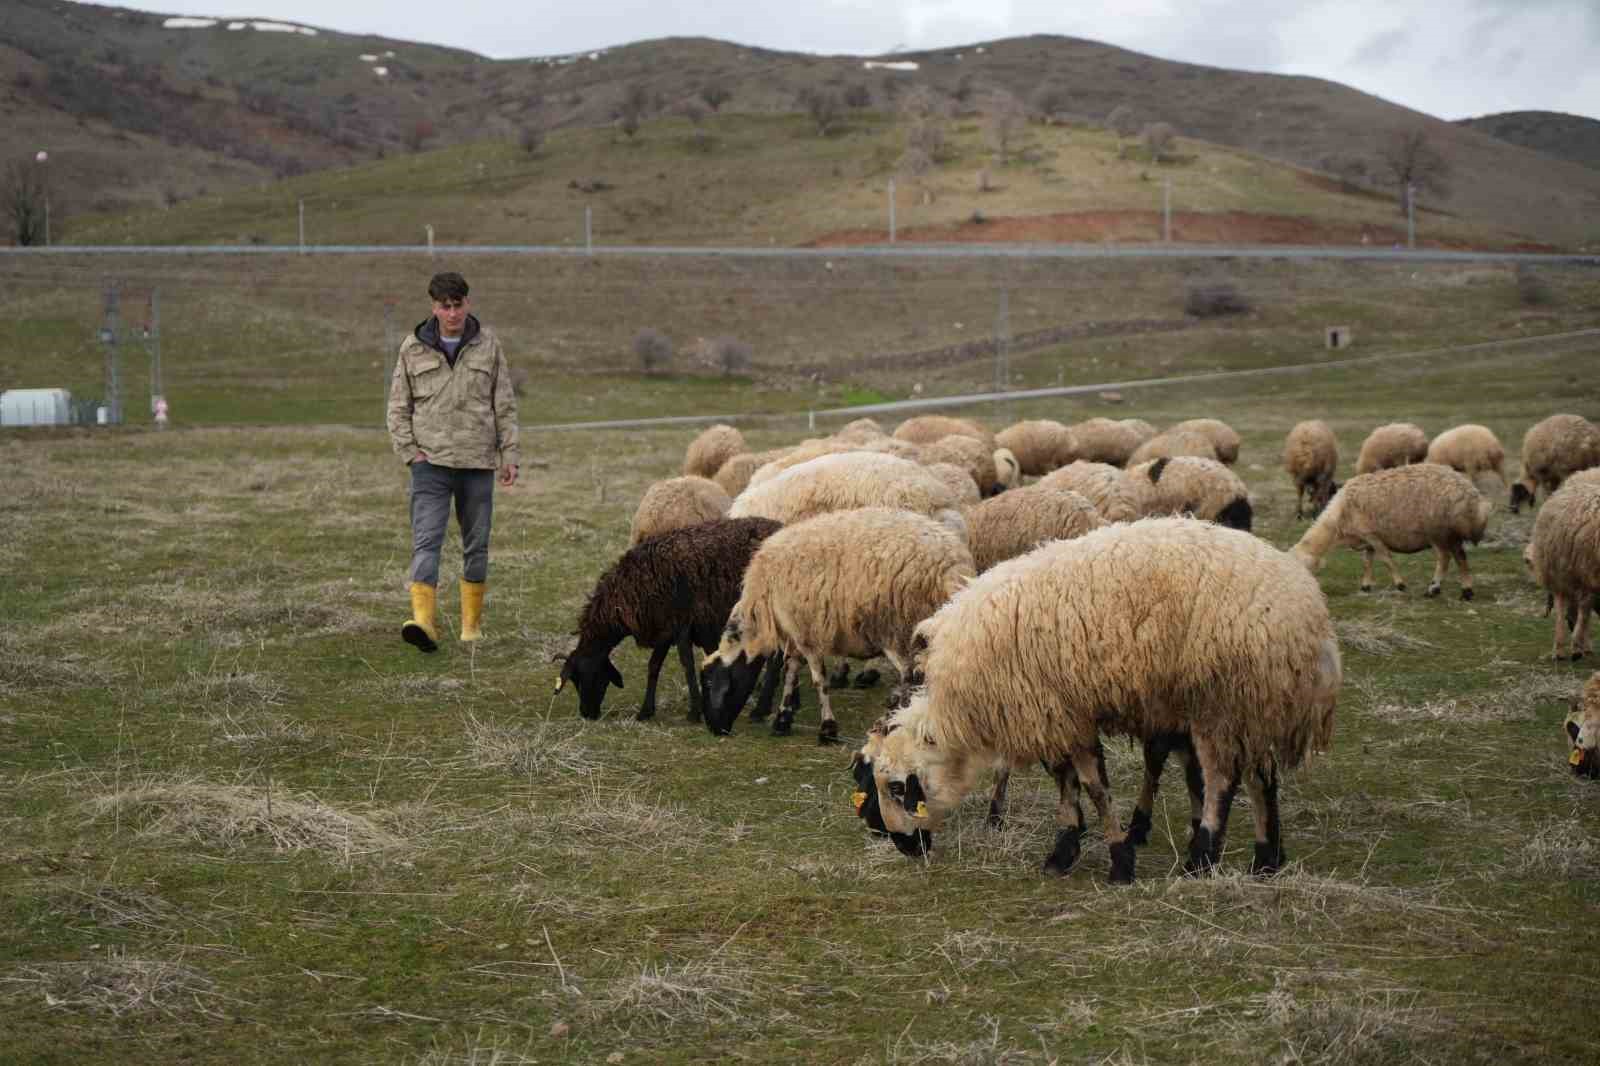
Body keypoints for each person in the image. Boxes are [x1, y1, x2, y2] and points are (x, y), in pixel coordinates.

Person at [386, 272, 519, 652]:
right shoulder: (412, 348)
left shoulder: (488, 345)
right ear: (434, 307)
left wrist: (509, 455)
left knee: (476, 545)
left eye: (458, 305)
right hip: (430, 464)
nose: (452, 313)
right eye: (445, 306)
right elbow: (397, 407)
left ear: (467, 303)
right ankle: (423, 623)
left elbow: (504, 405)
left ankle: (470, 628)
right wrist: (411, 453)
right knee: (426, 540)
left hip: (477, 463)